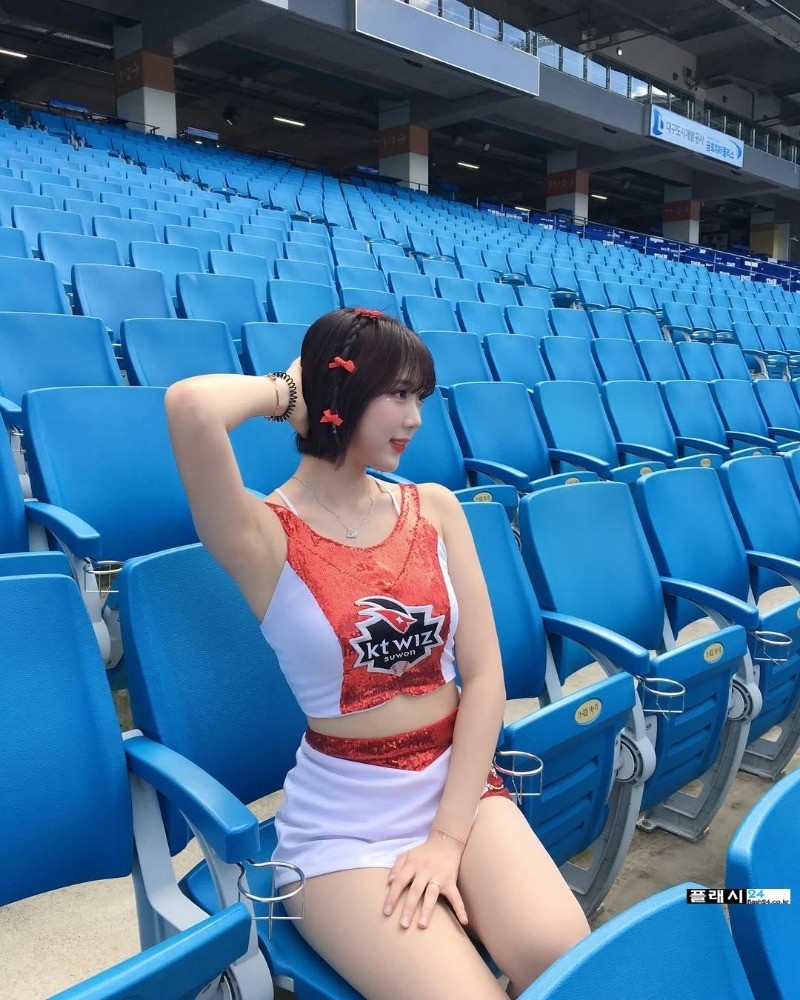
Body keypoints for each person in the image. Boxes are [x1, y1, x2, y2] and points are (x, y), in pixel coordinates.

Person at [165, 307, 589, 999]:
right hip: (345, 827)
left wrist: (446, 840)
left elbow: (484, 678)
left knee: (566, 961)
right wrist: (291, 393)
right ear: (342, 394)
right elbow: (190, 407)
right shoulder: (262, 535)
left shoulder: (436, 508)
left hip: (458, 788)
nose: (415, 417)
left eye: (420, 397)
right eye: (397, 394)